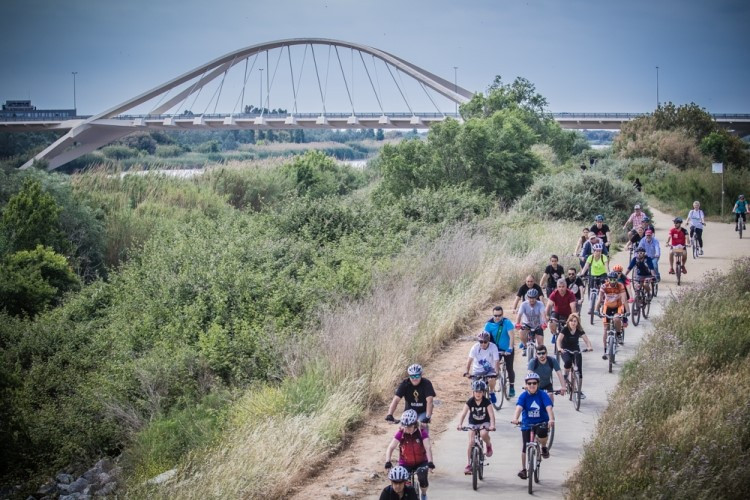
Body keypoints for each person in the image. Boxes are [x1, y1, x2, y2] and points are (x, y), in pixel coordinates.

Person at [511, 372, 555, 479]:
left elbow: (549, 407)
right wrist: (515, 418)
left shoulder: (542, 395)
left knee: (543, 433)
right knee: (525, 446)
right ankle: (524, 469)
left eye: (534, 383)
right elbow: (519, 408)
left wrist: (551, 419)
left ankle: (544, 447)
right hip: (527, 423)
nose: (531, 385)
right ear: (526, 385)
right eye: (529, 383)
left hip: (541, 422)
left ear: (538, 384)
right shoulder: (523, 396)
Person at [384, 410, 434, 499]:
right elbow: (390, 448)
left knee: (422, 478)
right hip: (405, 463)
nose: (407, 429)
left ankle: (423, 494)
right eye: (405, 427)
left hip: (421, 461)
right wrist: (388, 461)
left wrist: (430, 462)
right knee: (402, 481)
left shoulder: (422, 432)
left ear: (414, 424)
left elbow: (428, 448)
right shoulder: (401, 433)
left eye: (409, 427)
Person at [457, 379, 496, 475]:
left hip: (484, 422)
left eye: (480, 392)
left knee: (483, 434)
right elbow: (463, 413)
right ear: (473, 392)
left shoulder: (486, 402)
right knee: (471, 441)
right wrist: (460, 424)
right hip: (473, 423)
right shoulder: (470, 401)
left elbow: (491, 415)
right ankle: (469, 464)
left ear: (483, 392)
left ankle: (488, 444)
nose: (478, 394)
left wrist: (492, 425)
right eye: (476, 391)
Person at [555, 314, 592, 398]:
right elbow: (559, 340)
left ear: (577, 322)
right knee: (567, 361)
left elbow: (586, 340)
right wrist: (559, 348)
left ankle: (578, 391)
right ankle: (565, 376)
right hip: (565, 349)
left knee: (579, 370)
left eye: (575, 321)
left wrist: (589, 346)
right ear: (569, 321)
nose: (573, 323)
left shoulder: (579, 329)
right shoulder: (565, 329)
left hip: (576, 350)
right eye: (571, 321)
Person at [595, 272, 629, 358]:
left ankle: (618, 334)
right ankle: (605, 350)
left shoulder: (620, 286)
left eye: (614, 279)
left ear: (617, 279)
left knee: (616, 319)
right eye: (611, 279)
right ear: (608, 279)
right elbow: (599, 299)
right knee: (605, 328)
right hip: (608, 307)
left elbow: (624, 300)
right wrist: (596, 310)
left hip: (618, 306)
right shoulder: (604, 286)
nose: (613, 281)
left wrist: (628, 311)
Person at [484, 306, 517, 397]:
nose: (498, 317)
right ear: (493, 314)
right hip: (495, 350)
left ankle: (511, 386)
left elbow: (511, 336)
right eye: (495, 315)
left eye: (500, 315)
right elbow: (485, 338)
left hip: (507, 349)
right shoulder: (488, 324)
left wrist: (510, 348)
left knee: (510, 368)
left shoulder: (507, 322)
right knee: (494, 368)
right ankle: (494, 384)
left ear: (502, 314)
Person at [463, 331, 500, 403]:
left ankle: (492, 392)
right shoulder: (475, 347)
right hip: (477, 370)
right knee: (475, 388)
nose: (483, 344)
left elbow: (496, 361)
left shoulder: (493, 347)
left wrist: (496, 372)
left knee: (492, 379)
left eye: (485, 342)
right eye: (481, 342)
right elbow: (469, 360)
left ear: (488, 341)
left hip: (490, 369)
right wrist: (467, 372)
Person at [515, 289, 548, 357]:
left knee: (540, 344)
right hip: (526, 324)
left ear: (536, 297)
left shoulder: (540, 304)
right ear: (527, 297)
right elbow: (519, 315)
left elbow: (543, 314)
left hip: (538, 325)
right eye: (530, 298)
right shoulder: (524, 304)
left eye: (533, 298)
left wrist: (544, 323)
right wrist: (517, 324)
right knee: (521, 333)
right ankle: (524, 346)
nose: (532, 300)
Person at [545, 278, 577, 344]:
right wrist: (547, 315)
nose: (561, 289)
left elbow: (573, 307)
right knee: (551, 323)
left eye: (563, 287)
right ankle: (554, 334)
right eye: (559, 287)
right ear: (557, 287)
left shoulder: (570, 294)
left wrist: (573, 317)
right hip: (557, 312)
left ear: (566, 287)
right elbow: (548, 305)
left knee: (571, 325)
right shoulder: (554, 293)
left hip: (568, 313)